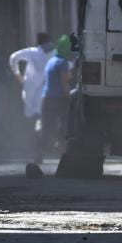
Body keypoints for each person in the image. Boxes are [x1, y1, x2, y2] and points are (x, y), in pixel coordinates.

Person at [38, 35, 73, 163]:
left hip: (46, 98)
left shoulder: (52, 60)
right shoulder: (63, 62)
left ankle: (39, 154)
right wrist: (70, 97)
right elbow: (64, 82)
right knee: (64, 127)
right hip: (58, 100)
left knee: (47, 127)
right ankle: (62, 153)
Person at [9, 33, 55, 123]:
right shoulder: (54, 53)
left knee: (32, 119)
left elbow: (13, 58)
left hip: (32, 91)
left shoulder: (32, 52)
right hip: (45, 93)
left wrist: (18, 75)